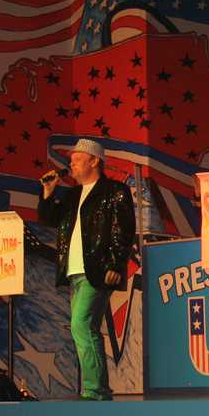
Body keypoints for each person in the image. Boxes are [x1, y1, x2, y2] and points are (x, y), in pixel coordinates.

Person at [38, 138, 135, 401]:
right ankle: (97, 389)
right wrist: (48, 192)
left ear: (94, 161)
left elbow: (124, 230)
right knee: (84, 327)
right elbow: (50, 219)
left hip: (98, 269)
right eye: (71, 161)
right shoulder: (72, 195)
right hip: (75, 271)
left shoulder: (114, 191)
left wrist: (115, 263)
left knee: (81, 325)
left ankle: (95, 390)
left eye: (77, 159)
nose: (71, 164)